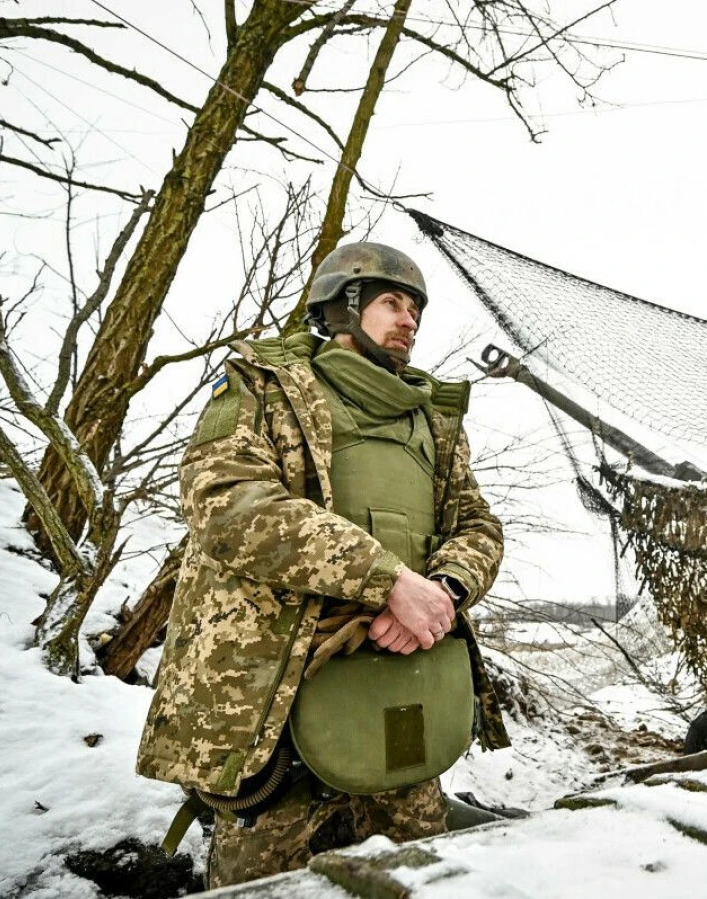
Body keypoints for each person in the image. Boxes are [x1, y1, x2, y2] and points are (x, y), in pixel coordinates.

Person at [135, 242, 504, 888]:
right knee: (265, 887)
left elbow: (478, 525)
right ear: (342, 305)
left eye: (416, 306)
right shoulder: (266, 385)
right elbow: (228, 502)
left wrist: (440, 591)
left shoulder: (435, 421)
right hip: (279, 714)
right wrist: (387, 581)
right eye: (393, 301)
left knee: (414, 879)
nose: (410, 318)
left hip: (403, 693)